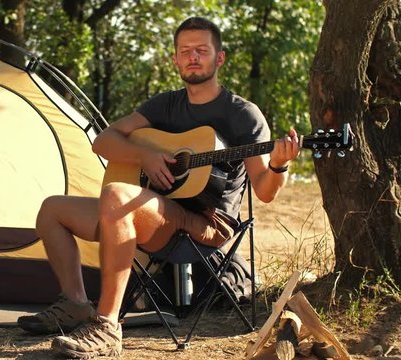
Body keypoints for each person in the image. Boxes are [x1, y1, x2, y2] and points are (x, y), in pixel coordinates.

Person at [17, 16, 300, 359]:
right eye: (185, 51)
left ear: (219, 58)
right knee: (52, 209)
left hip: (204, 226)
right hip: (154, 214)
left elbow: (266, 191)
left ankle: (107, 328)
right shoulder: (165, 105)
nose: (193, 56)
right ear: (175, 60)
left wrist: (280, 163)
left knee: (117, 196)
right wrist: (146, 155)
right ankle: (77, 304)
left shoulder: (243, 115)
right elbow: (103, 141)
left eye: (201, 50)